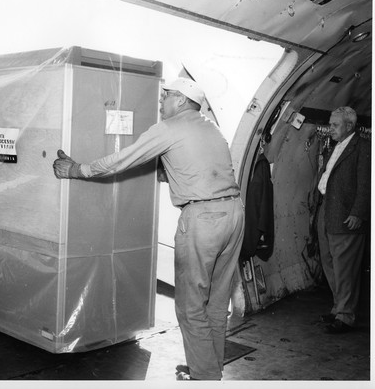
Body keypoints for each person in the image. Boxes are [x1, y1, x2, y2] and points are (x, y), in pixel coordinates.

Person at [53, 78, 245, 380]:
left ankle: (205, 377)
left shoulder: (169, 128)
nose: (161, 101)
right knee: (217, 303)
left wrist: (77, 170)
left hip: (202, 219)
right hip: (233, 213)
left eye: (166, 95)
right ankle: (207, 365)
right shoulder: (210, 127)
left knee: (190, 304)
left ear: (181, 101)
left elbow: (122, 159)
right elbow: (200, 166)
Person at [316, 106, 371, 334]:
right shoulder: (337, 146)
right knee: (329, 262)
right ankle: (338, 307)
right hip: (328, 210)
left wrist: (358, 212)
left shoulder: (363, 148)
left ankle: (346, 316)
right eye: (330, 124)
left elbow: (367, 184)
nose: (330, 129)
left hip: (347, 215)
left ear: (349, 126)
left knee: (345, 267)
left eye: (335, 125)